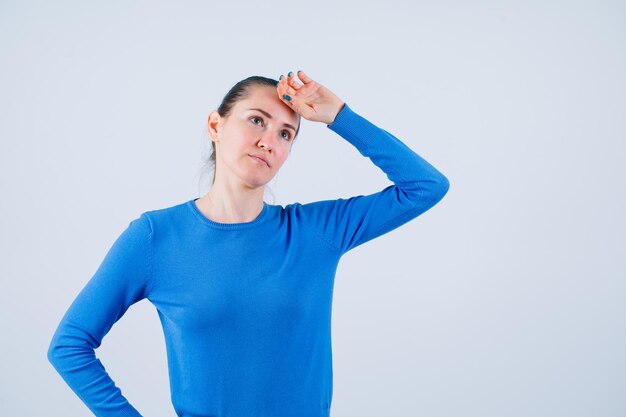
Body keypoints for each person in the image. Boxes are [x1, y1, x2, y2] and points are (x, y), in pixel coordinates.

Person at [47, 70, 450, 417]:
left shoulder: (316, 231)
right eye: (256, 120)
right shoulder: (156, 237)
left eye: (285, 133)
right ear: (215, 125)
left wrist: (339, 116)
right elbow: (69, 345)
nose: (269, 141)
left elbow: (425, 187)